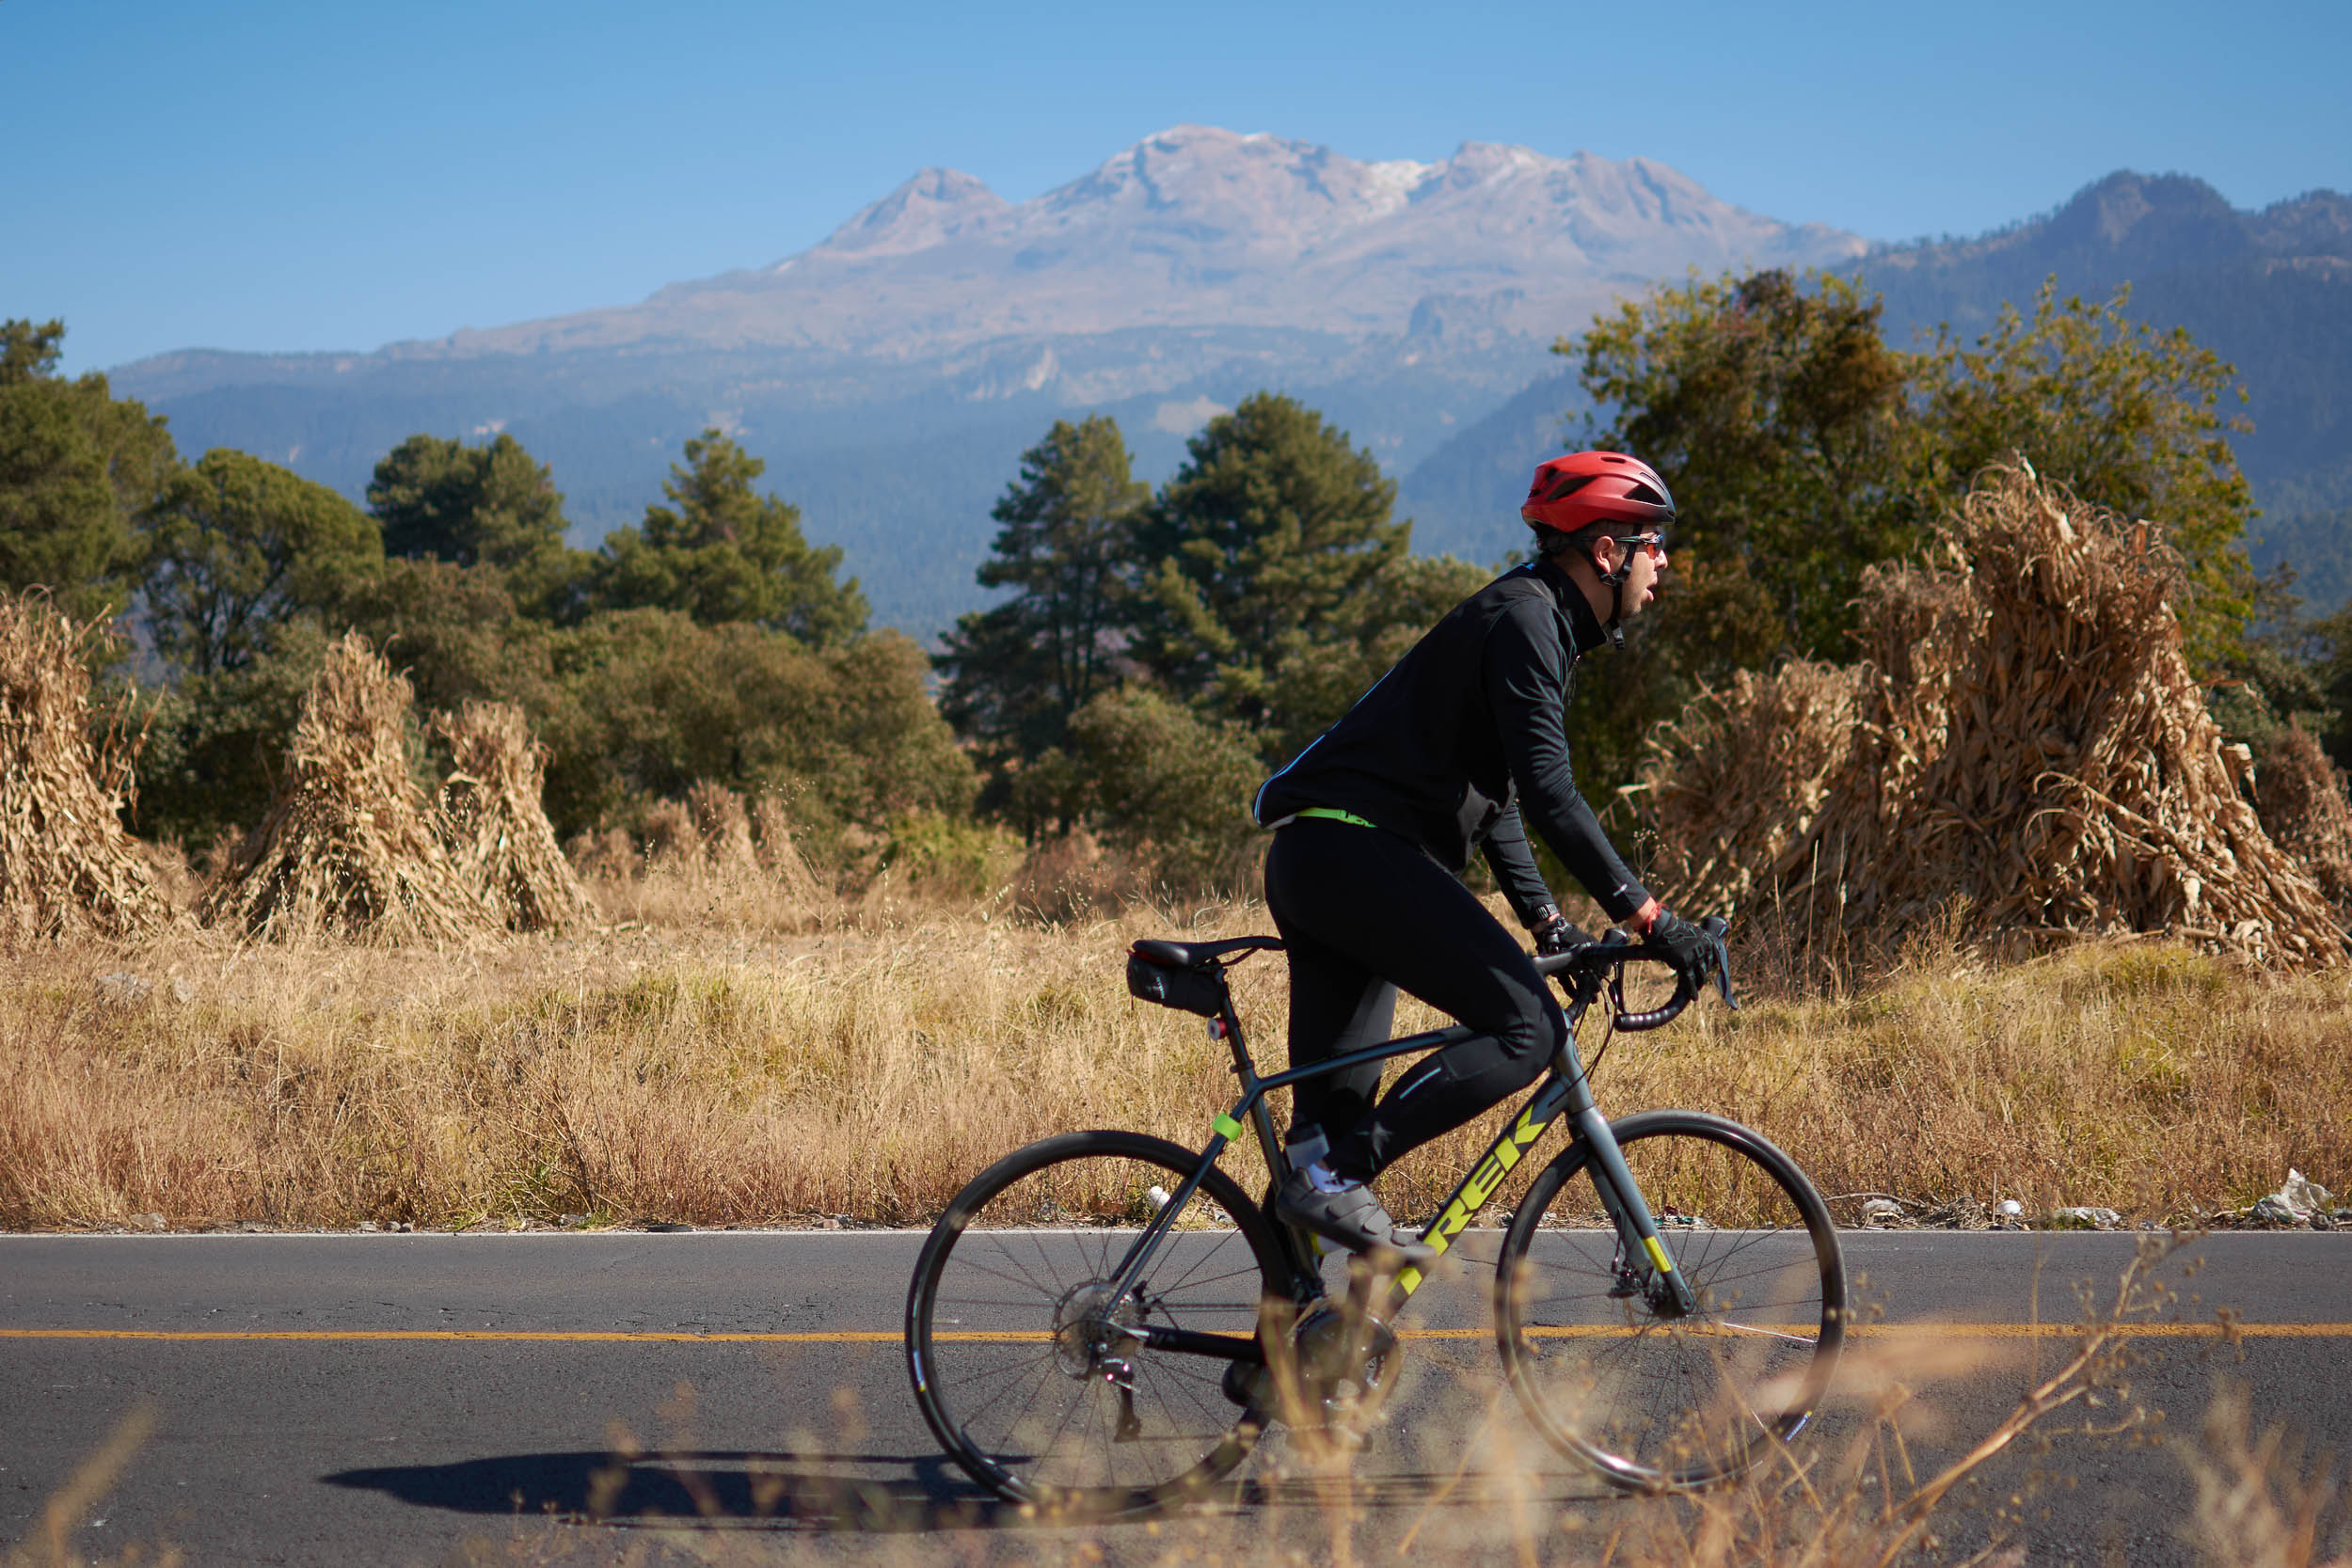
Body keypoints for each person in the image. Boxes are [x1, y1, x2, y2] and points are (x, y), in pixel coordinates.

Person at [1253, 449, 1724, 1261]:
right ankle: (1336, 1175)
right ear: (1606, 552)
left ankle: (1290, 1332)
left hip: (1321, 859)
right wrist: (1652, 917)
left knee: (1322, 1137)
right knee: (1524, 1028)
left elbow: (1497, 795)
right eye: (1652, 541)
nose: (1664, 560)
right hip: (1358, 854)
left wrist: (1547, 922)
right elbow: (1550, 795)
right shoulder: (1528, 621)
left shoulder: (1532, 616)